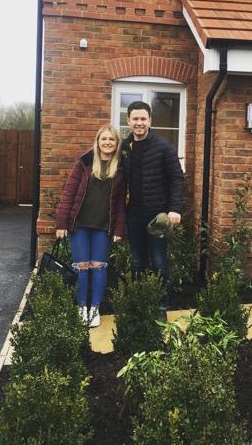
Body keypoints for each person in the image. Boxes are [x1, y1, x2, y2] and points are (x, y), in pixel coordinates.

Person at [55, 124, 125, 327]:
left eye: (111, 139)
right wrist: (61, 223)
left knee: (99, 268)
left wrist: (119, 229)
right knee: (82, 268)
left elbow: (120, 203)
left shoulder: (120, 168)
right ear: (97, 141)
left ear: (117, 143)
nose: (107, 143)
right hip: (80, 225)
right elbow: (69, 193)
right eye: (104, 139)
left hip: (103, 227)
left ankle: (94, 308)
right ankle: (80, 308)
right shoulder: (84, 163)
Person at [121, 101, 183, 317]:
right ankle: (139, 301)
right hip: (133, 215)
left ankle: (161, 305)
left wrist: (174, 209)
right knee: (137, 261)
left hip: (158, 217)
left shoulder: (163, 147)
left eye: (143, 119)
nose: (139, 123)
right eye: (135, 119)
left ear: (150, 120)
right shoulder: (124, 147)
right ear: (128, 121)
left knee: (158, 261)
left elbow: (177, 179)